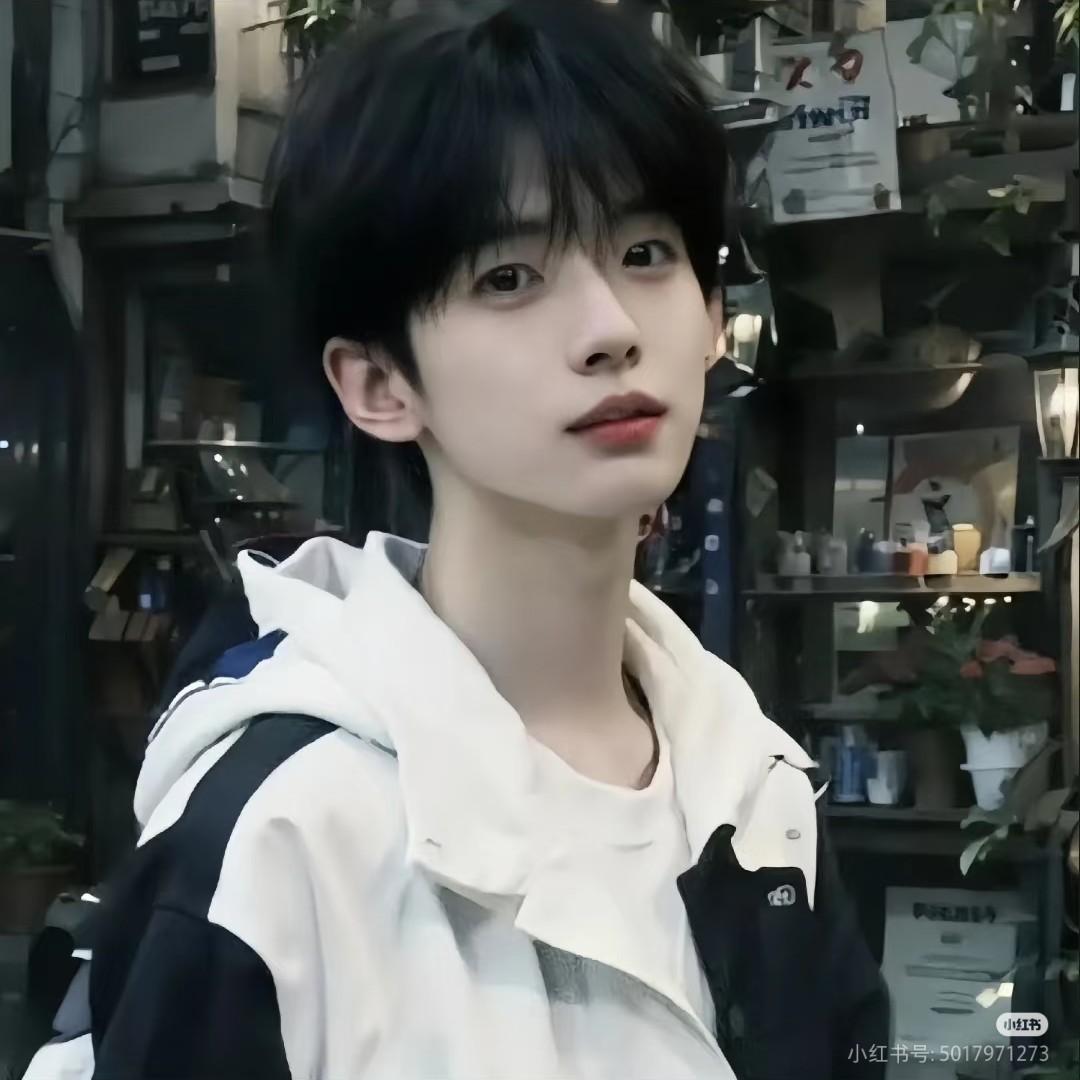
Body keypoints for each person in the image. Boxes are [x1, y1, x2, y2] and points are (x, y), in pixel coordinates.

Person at [25, 3, 886, 1078]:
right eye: (508, 278)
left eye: (646, 253)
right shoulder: (283, 836)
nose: (611, 328)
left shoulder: (755, 791)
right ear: (379, 384)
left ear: (714, 316)